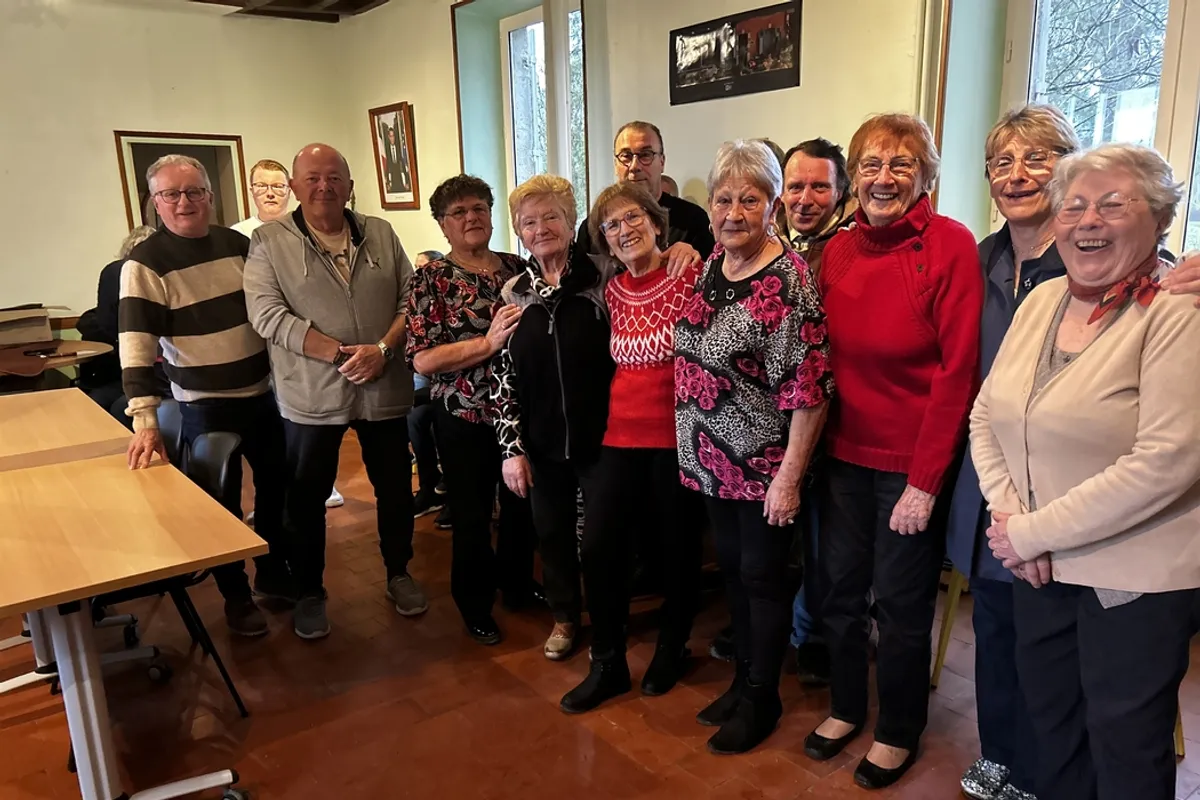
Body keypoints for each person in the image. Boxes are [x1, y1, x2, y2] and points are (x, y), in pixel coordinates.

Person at [971, 143, 1200, 800]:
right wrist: (1012, 518)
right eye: (1073, 205)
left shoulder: (1178, 311)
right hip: (1038, 563)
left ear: (1158, 219)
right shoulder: (1042, 299)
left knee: (1125, 743)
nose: (1086, 220)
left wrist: (1034, 530)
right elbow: (986, 414)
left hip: (1133, 578)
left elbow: (1169, 460)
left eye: (1111, 203)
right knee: (1050, 730)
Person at [805, 114, 983, 790]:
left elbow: (957, 372)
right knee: (839, 595)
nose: (884, 177)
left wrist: (925, 481)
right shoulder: (840, 249)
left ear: (926, 176)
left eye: (901, 164)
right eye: (873, 163)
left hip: (910, 465)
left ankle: (899, 730)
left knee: (903, 610)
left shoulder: (950, 245)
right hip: (843, 457)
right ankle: (848, 707)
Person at [674, 140, 832, 755]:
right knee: (735, 579)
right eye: (722, 200)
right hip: (709, 460)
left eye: (750, 199)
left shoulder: (786, 280)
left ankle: (763, 698)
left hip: (763, 466)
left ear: (772, 207)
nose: (734, 212)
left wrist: (789, 478)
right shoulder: (716, 262)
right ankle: (743, 683)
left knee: (764, 582)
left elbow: (810, 390)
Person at [946, 104, 1080, 800]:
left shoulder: (1099, 256)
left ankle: (1043, 769)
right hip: (988, 478)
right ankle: (1000, 752)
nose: (1017, 174)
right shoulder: (980, 260)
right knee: (995, 627)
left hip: (1063, 483)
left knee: (1049, 639)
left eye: (1037, 157)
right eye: (1002, 162)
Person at [245, 143, 424, 641]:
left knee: (393, 489)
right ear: (297, 187)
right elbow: (267, 315)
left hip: (383, 386)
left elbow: (413, 297)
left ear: (349, 185)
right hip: (311, 396)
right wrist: (340, 352)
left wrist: (383, 350)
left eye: (334, 177)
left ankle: (399, 573)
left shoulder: (382, 232)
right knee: (304, 499)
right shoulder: (267, 241)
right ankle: (309, 592)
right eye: (312, 178)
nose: (324, 187)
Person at [119, 154, 290, 637]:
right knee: (221, 505)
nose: (184, 202)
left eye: (194, 191)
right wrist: (145, 420)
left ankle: (273, 576)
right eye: (171, 194)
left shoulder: (239, 244)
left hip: (263, 395)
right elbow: (136, 346)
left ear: (210, 197)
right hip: (201, 404)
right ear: (155, 202)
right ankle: (236, 597)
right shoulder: (144, 263)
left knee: (278, 491)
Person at [555, 181, 706, 711]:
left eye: (632, 217)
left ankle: (672, 645)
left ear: (656, 221)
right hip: (619, 438)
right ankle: (608, 661)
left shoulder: (692, 274)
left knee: (676, 551)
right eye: (611, 226)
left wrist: (692, 250)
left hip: (677, 442)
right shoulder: (611, 292)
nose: (623, 230)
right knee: (597, 546)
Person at [405, 174, 537, 646]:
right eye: (458, 212)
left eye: (479, 208)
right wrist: (487, 343)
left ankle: (519, 586)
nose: (471, 218)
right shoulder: (431, 280)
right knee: (473, 514)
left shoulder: (520, 267)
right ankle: (475, 603)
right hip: (463, 415)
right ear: (443, 225)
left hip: (521, 415)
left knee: (523, 508)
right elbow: (423, 358)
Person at [234, 157, 345, 511]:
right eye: (262, 186)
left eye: (278, 186)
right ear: (251, 191)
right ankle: (273, 500)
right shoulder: (239, 236)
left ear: (291, 190)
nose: (271, 193)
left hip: (313, 354)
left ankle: (318, 488)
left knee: (311, 431)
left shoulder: (312, 228)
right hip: (259, 345)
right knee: (273, 429)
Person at [576, 121, 715, 258]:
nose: (634, 166)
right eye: (626, 156)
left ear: (662, 162)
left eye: (645, 155)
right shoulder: (593, 227)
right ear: (615, 164)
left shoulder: (693, 221)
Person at [77, 225, 157, 427]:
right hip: (132, 373)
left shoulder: (116, 272)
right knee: (99, 403)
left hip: (155, 375)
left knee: (111, 407)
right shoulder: (118, 274)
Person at [410, 249, 448, 520]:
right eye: (417, 268)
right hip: (428, 380)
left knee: (436, 416)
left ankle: (452, 492)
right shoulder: (417, 300)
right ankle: (429, 487)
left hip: (453, 383)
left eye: (426, 268)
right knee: (414, 416)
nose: (421, 274)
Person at [782, 138, 855, 274]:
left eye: (819, 187)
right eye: (795, 187)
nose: (805, 201)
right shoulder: (760, 239)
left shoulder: (858, 243)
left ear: (839, 192)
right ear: (781, 192)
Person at [382, 124, 411, 195]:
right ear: (388, 137)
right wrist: (388, 183)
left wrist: (407, 181)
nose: (392, 138)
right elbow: (387, 168)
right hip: (392, 178)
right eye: (391, 136)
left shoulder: (399, 148)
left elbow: (403, 165)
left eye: (393, 136)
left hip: (400, 177)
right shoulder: (386, 151)